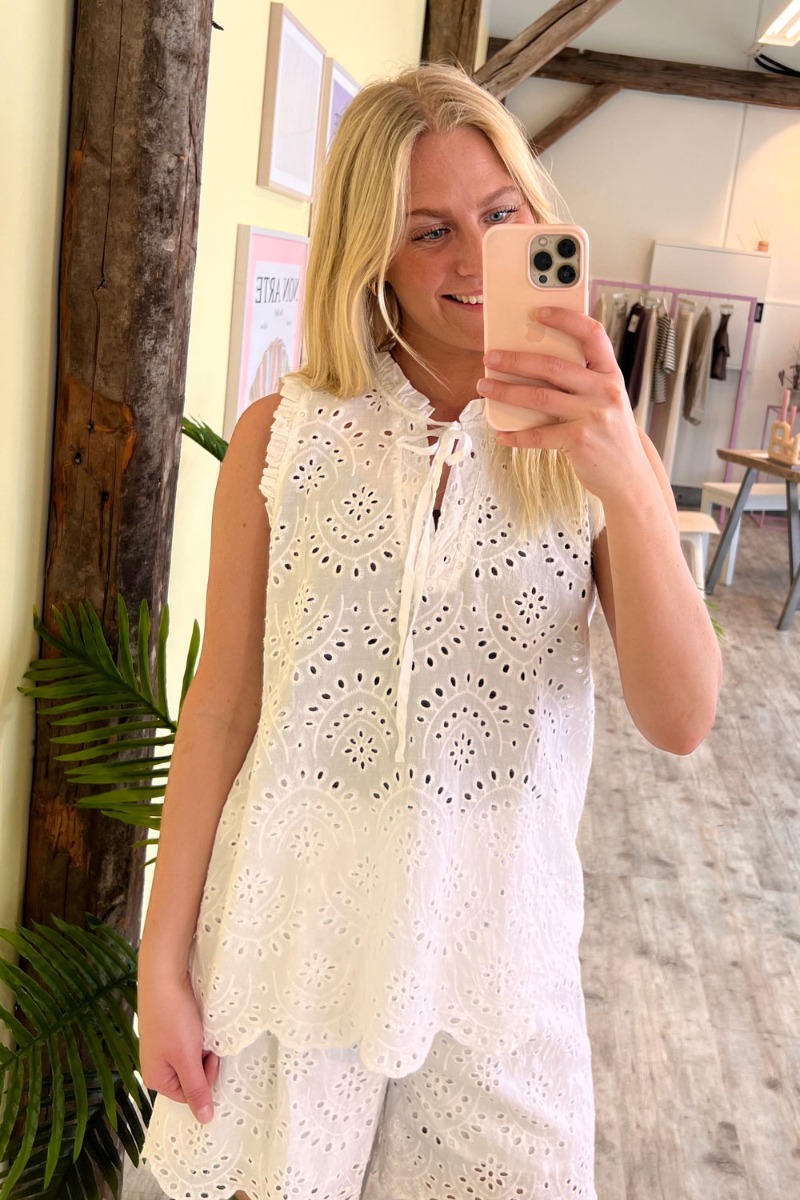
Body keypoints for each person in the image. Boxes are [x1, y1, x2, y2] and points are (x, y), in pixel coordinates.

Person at [139, 63, 721, 1200]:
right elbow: (221, 709)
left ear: (536, 217)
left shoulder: (597, 448)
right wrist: (161, 962)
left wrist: (625, 476)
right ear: (373, 254)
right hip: (287, 948)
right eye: (428, 231)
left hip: (498, 966)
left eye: (499, 215)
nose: (472, 257)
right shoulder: (281, 436)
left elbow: (681, 717)